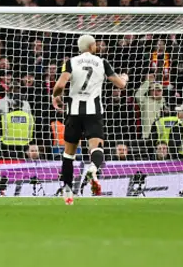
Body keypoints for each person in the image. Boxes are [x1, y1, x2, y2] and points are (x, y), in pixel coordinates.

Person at [52, 35, 128, 205]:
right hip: (93, 112)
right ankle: (93, 168)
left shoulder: (71, 62)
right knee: (97, 147)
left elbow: (60, 85)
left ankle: (67, 192)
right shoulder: (102, 62)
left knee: (69, 154)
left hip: (73, 112)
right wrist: (125, 78)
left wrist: (55, 96)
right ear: (92, 46)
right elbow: (120, 85)